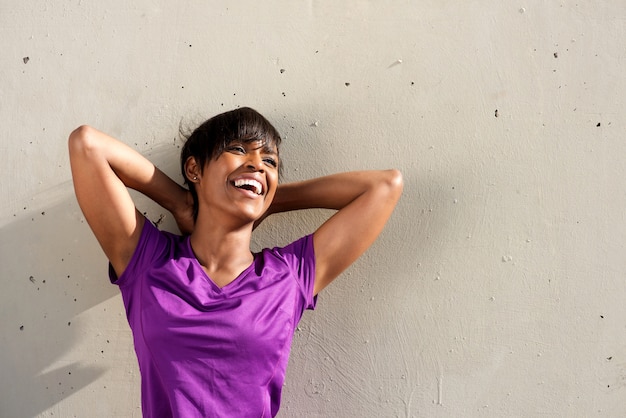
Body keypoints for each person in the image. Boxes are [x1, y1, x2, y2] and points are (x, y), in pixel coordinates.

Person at [68, 107, 403, 417]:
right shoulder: (148, 262)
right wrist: (180, 202)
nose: (257, 164)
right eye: (239, 150)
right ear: (194, 169)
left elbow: (385, 186)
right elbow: (87, 145)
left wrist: (265, 197)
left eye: (269, 161)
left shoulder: (289, 276)